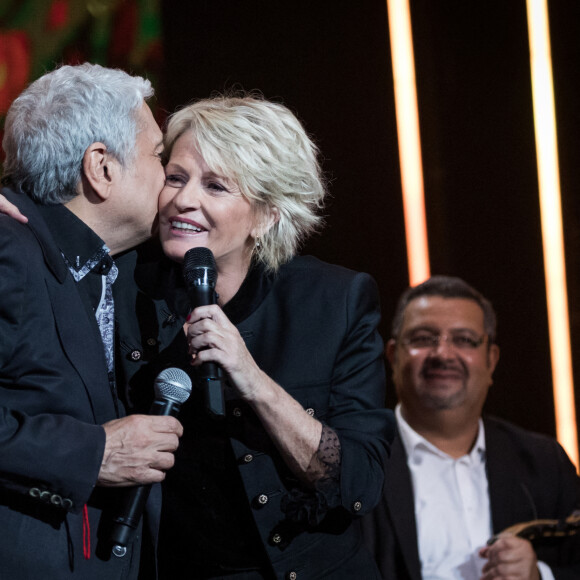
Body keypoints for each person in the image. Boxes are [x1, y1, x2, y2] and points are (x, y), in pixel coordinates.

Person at [112, 94, 395, 579]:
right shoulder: (121, 285)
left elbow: (359, 483)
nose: (184, 199)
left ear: (267, 215)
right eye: (175, 178)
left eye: (216, 186)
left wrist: (253, 380)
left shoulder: (334, 301)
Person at [0, 63, 183, 579]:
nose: (171, 181)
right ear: (101, 167)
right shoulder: (8, 249)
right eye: (158, 157)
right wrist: (94, 454)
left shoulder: (119, 265)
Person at [360, 275, 580, 580]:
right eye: (424, 338)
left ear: (491, 361)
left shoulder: (546, 463)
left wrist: (540, 575)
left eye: (464, 340)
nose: (443, 354)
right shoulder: (355, 461)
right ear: (393, 356)